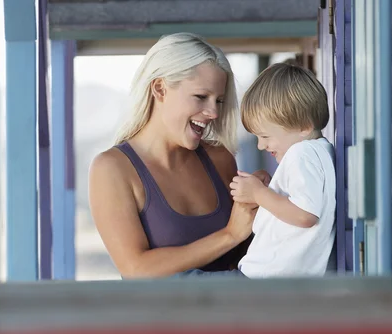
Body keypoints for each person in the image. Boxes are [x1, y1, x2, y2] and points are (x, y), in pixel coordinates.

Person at [88, 32, 265, 279]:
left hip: (233, 315)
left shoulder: (220, 159)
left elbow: (248, 257)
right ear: (160, 89)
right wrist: (230, 235)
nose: (213, 112)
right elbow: (136, 270)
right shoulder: (112, 169)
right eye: (201, 97)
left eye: (219, 100)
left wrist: (268, 201)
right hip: (163, 318)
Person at [230, 63, 336, 278]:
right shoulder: (320, 151)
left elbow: (305, 215)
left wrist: (258, 193)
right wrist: (271, 190)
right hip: (274, 281)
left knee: (179, 286)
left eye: (266, 136)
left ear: (304, 127)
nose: (260, 145)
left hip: (264, 278)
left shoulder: (301, 153)